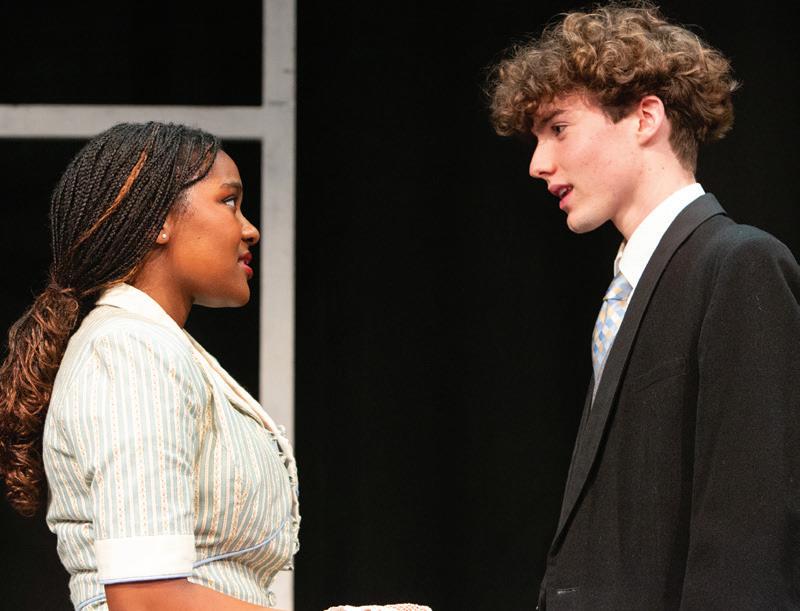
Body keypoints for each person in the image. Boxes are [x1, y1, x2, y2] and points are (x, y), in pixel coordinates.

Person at [488, 3, 800, 609]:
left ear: (645, 118)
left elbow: (751, 540)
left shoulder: (738, 265)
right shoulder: (629, 290)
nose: (537, 164)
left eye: (558, 128)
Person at [0, 122, 299, 610]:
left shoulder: (154, 344)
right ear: (158, 221)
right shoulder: (129, 350)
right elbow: (146, 598)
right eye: (228, 201)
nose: (250, 229)